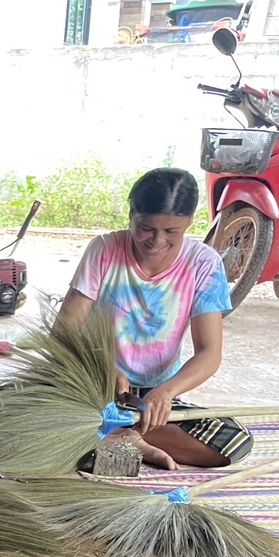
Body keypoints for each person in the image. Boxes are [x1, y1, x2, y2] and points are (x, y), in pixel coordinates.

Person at [56, 168, 251, 469]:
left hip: (151, 397)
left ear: (188, 223)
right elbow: (64, 332)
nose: (157, 240)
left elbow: (210, 354)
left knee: (234, 440)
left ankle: (115, 433)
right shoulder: (105, 250)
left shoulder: (203, 263)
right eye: (146, 228)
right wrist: (104, 370)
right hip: (94, 383)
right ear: (132, 215)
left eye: (172, 231)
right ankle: (120, 434)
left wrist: (167, 392)